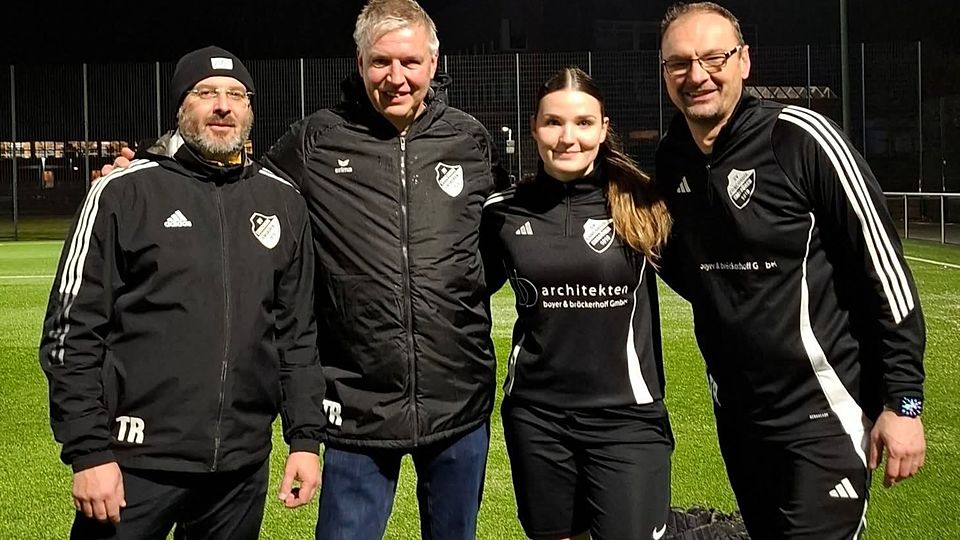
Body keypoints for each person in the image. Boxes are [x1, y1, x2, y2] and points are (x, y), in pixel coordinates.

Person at [655, 3, 926, 538]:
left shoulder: (801, 138)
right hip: (737, 415)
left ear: (744, 61)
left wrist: (903, 401)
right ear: (664, 74)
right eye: (680, 63)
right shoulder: (672, 160)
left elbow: (884, 272)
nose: (698, 75)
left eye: (714, 57)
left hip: (822, 413)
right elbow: (691, 269)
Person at [40, 45, 325, 539]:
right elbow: (72, 333)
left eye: (237, 94)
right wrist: (88, 452)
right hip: (134, 463)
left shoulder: (282, 201)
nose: (223, 105)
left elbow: (297, 336)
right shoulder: (124, 192)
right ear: (180, 106)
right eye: (206, 92)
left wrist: (304, 439)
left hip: (239, 468)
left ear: (250, 110)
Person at [261, 1, 507, 538]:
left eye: (410, 62)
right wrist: (149, 167)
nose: (396, 78)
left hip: (457, 401)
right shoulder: (315, 141)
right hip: (356, 405)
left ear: (434, 64)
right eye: (381, 62)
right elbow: (241, 194)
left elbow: (502, 233)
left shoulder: (470, 140)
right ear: (360, 61)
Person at [481, 67, 674, 540]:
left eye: (584, 123)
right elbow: (459, 296)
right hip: (537, 418)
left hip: (627, 418)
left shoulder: (646, 204)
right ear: (534, 127)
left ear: (604, 128)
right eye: (554, 123)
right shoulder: (503, 212)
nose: (568, 137)